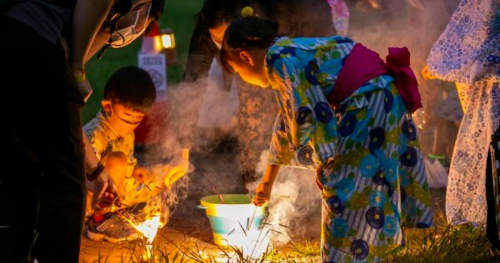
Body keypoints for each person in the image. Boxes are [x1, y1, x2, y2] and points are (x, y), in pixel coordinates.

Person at [220, 16, 433, 262]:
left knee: (342, 188)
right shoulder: (286, 50)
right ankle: (370, 253)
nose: (243, 78)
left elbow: (307, 116)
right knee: (369, 183)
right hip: (382, 98)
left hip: (369, 102)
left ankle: (342, 257)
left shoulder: (278, 60)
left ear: (245, 56)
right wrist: (267, 183)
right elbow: (286, 122)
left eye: (237, 71)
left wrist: (324, 161)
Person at [0, 0, 164, 261]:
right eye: (146, 26)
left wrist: (97, 172)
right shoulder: (57, 29)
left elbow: (64, 129)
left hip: (7, 37)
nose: (138, 33)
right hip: (29, 36)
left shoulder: (72, 30)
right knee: (64, 184)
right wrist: (76, 67)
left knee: (20, 166)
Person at [183, 0, 343, 185]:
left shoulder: (286, 46)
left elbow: (302, 113)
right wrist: (181, 149)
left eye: (227, 41)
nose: (221, 48)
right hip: (261, 55)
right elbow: (192, 79)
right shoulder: (214, 16)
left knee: (310, 120)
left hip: (306, 40)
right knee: (258, 114)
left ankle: (305, 183)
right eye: (217, 41)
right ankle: (254, 181)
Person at [423, 0, 500, 249]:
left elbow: (474, 36)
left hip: (492, 96)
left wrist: (438, 64)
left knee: (489, 152)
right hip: (490, 91)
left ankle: (489, 228)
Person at [83, 66, 188, 243]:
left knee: (161, 175)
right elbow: (84, 174)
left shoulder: (128, 134)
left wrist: (136, 171)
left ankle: (121, 213)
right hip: (89, 196)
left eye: (137, 119)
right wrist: (113, 174)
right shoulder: (95, 134)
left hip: (116, 191)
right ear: (108, 106)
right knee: (117, 160)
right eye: (128, 117)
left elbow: (127, 164)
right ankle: (99, 222)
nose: (131, 125)